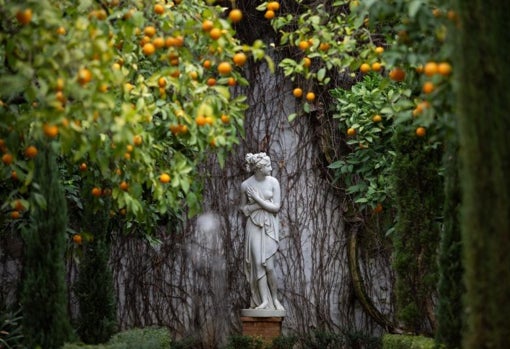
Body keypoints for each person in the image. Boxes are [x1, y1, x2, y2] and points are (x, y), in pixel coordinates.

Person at [240, 152, 284, 311]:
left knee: (270, 266)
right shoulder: (245, 185)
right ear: (258, 169)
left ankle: (274, 299)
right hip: (253, 226)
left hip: (269, 226)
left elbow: (276, 208)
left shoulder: (273, 182)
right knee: (258, 264)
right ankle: (264, 301)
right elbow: (244, 209)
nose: (271, 168)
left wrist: (258, 200)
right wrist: (260, 205)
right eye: (268, 166)